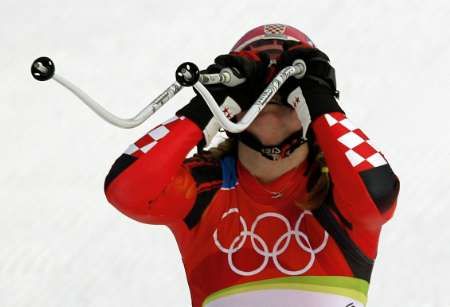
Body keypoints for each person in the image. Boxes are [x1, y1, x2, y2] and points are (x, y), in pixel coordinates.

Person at [104, 24, 400, 307]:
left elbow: (378, 194)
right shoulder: (205, 187)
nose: (273, 91)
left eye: (287, 86)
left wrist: (319, 98)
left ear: (306, 102)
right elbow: (127, 189)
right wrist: (211, 104)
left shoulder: (339, 185)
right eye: (259, 86)